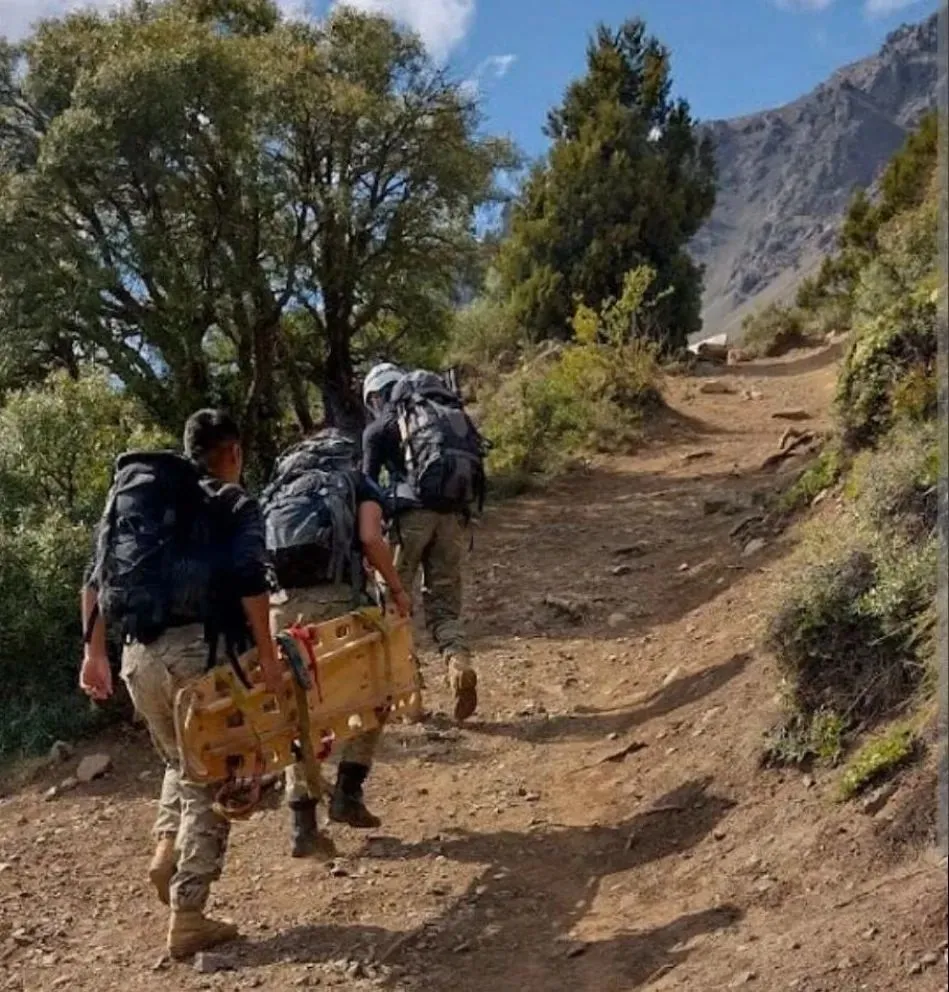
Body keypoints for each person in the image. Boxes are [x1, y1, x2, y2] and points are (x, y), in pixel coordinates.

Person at [79, 410, 282, 959]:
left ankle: (167, 847)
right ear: (233, 452)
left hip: (136, 657)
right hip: (202, 656)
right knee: (221, 774)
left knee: (180, 764)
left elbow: (95, 578)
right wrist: (266, 658)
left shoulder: (143, 503)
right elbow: (249, 580)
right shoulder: (231, 503)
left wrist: (92, 652)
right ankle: (188, 913)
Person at [262, 427, 411, 859]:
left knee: (297, 714)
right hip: (338, 602)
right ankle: (348, 792)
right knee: (376, 692)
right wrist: (397, 589)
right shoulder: (353, 479)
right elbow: (369, 538)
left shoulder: (278, 487)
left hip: (282, 607)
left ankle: (303, 826)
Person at [361, 363, 483, 722]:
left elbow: (365, 488)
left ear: (375, 396)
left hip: (408, 521)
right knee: (444, 605)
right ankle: (458, 662)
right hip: (452, 518)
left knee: (394, 608)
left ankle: (410, 700)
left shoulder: (379, 428)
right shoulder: (443, 413)